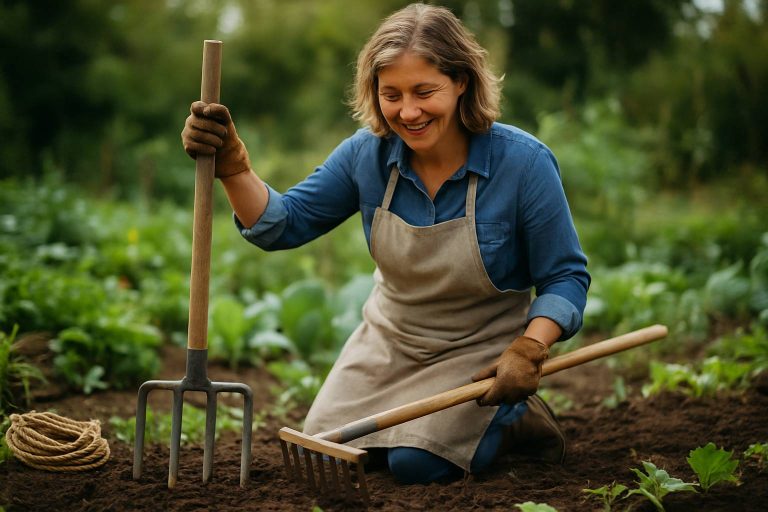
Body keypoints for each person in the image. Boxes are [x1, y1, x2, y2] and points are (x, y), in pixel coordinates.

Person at [182, 3, 589, 485]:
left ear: (461, 82)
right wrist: (234, 166)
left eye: (424, 92)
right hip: (389, 343)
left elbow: (565, 276)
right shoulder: (367, 155)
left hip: (478, 351)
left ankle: (515, 419)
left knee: (416, 464)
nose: (408, 112)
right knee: (326, 455)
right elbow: (282, 225)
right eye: (391, 94)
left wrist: (529, 348)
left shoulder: (523, 164)